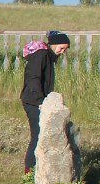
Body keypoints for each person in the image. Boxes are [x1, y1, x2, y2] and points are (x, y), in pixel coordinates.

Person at [21, 30, 71, 175]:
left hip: (40, 101)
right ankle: (29, 172)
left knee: (42, 134)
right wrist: (40, 101)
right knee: (38, 134)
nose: (62, 52)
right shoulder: (41, 55)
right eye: (62, 48)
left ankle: (41, 170)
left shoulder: (48, 56)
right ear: (54, 44)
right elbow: (33, 78)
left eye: (65, 50)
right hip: (33, 101)